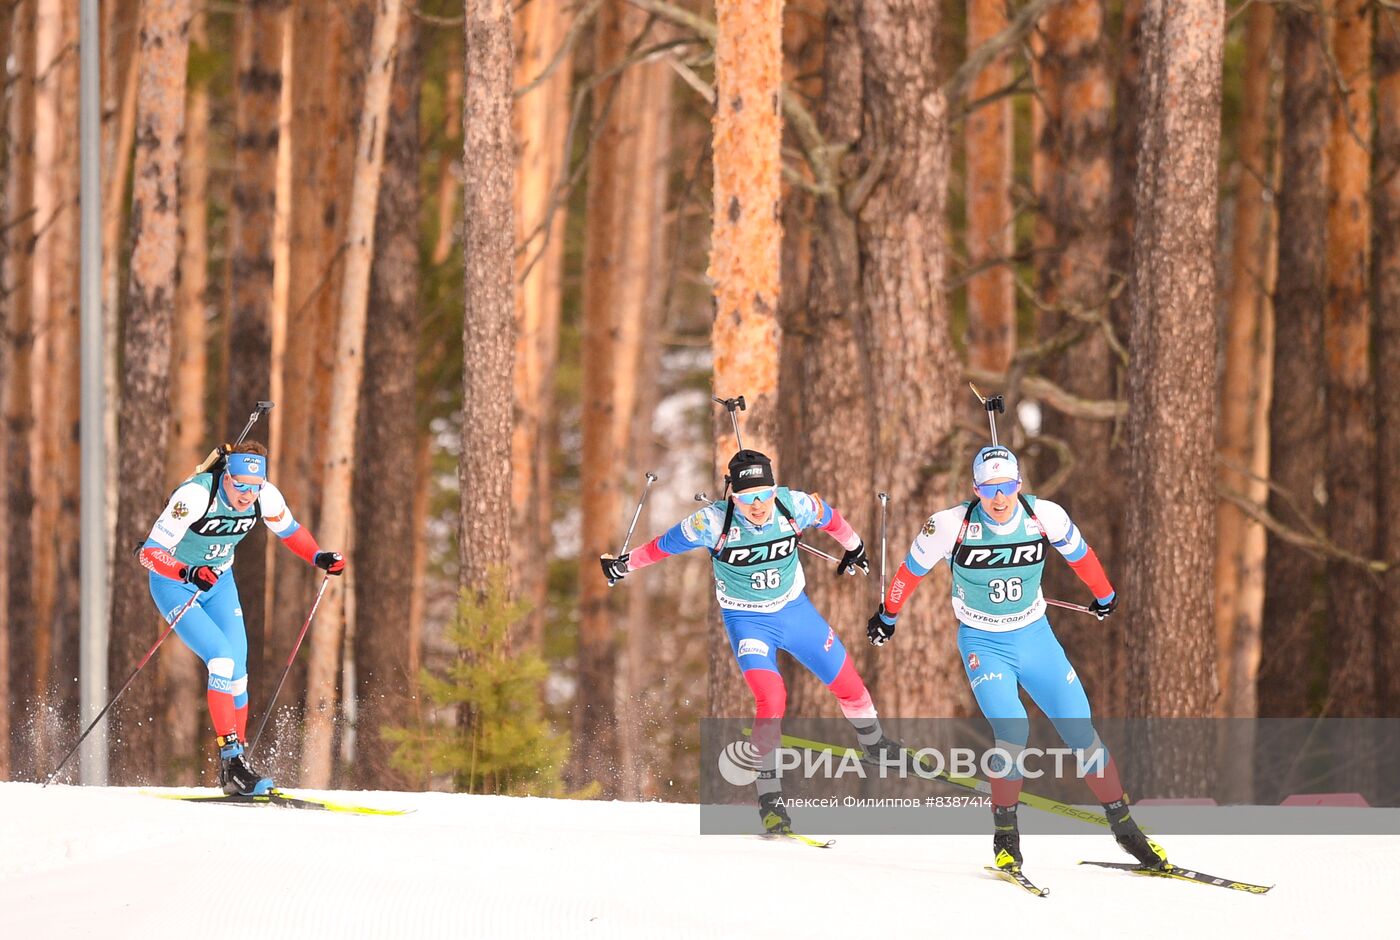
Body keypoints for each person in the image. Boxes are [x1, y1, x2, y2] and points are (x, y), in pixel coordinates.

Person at [867, 445, 1167, 872]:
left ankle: (1125, 828)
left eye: (1006, 487)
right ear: (975, 490)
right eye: (989, 489)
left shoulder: (1046, 515)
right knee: (1012, 729)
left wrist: (1105, 595)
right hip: (983, 643)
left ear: (1019, 485)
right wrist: (887, 616)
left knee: (1080, 730)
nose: (999, 497)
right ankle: (1006, 838)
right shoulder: (951, 525)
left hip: (1035, 637)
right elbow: (909, 571)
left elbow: (1079, 555)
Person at [601, 449, 899, 835]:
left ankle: (874, 744)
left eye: (764, 494)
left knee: (849, 685)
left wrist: (855, 547)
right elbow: (660, 546)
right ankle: (770, 798)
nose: (757, 505)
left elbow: (832, 519)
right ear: (732, 496)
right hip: (748, 623)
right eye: (747, 497)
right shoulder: (710, 523)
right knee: (772, 697)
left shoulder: (793, 505)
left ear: (775, 490)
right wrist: (623, 564)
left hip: (796, 613)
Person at [139, 441, 345, 795]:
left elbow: (290, 531)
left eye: (255, 486)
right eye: (240, 485)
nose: (248, 495)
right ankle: (232, 759)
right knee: (220, 658)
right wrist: (187, 573)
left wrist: (319, 556)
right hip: (175, 584)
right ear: (226, 478)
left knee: (238, 672)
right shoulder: (195, 496)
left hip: (219, 582)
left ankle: (236, 767)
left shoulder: (265, 496)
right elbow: (149, 553)